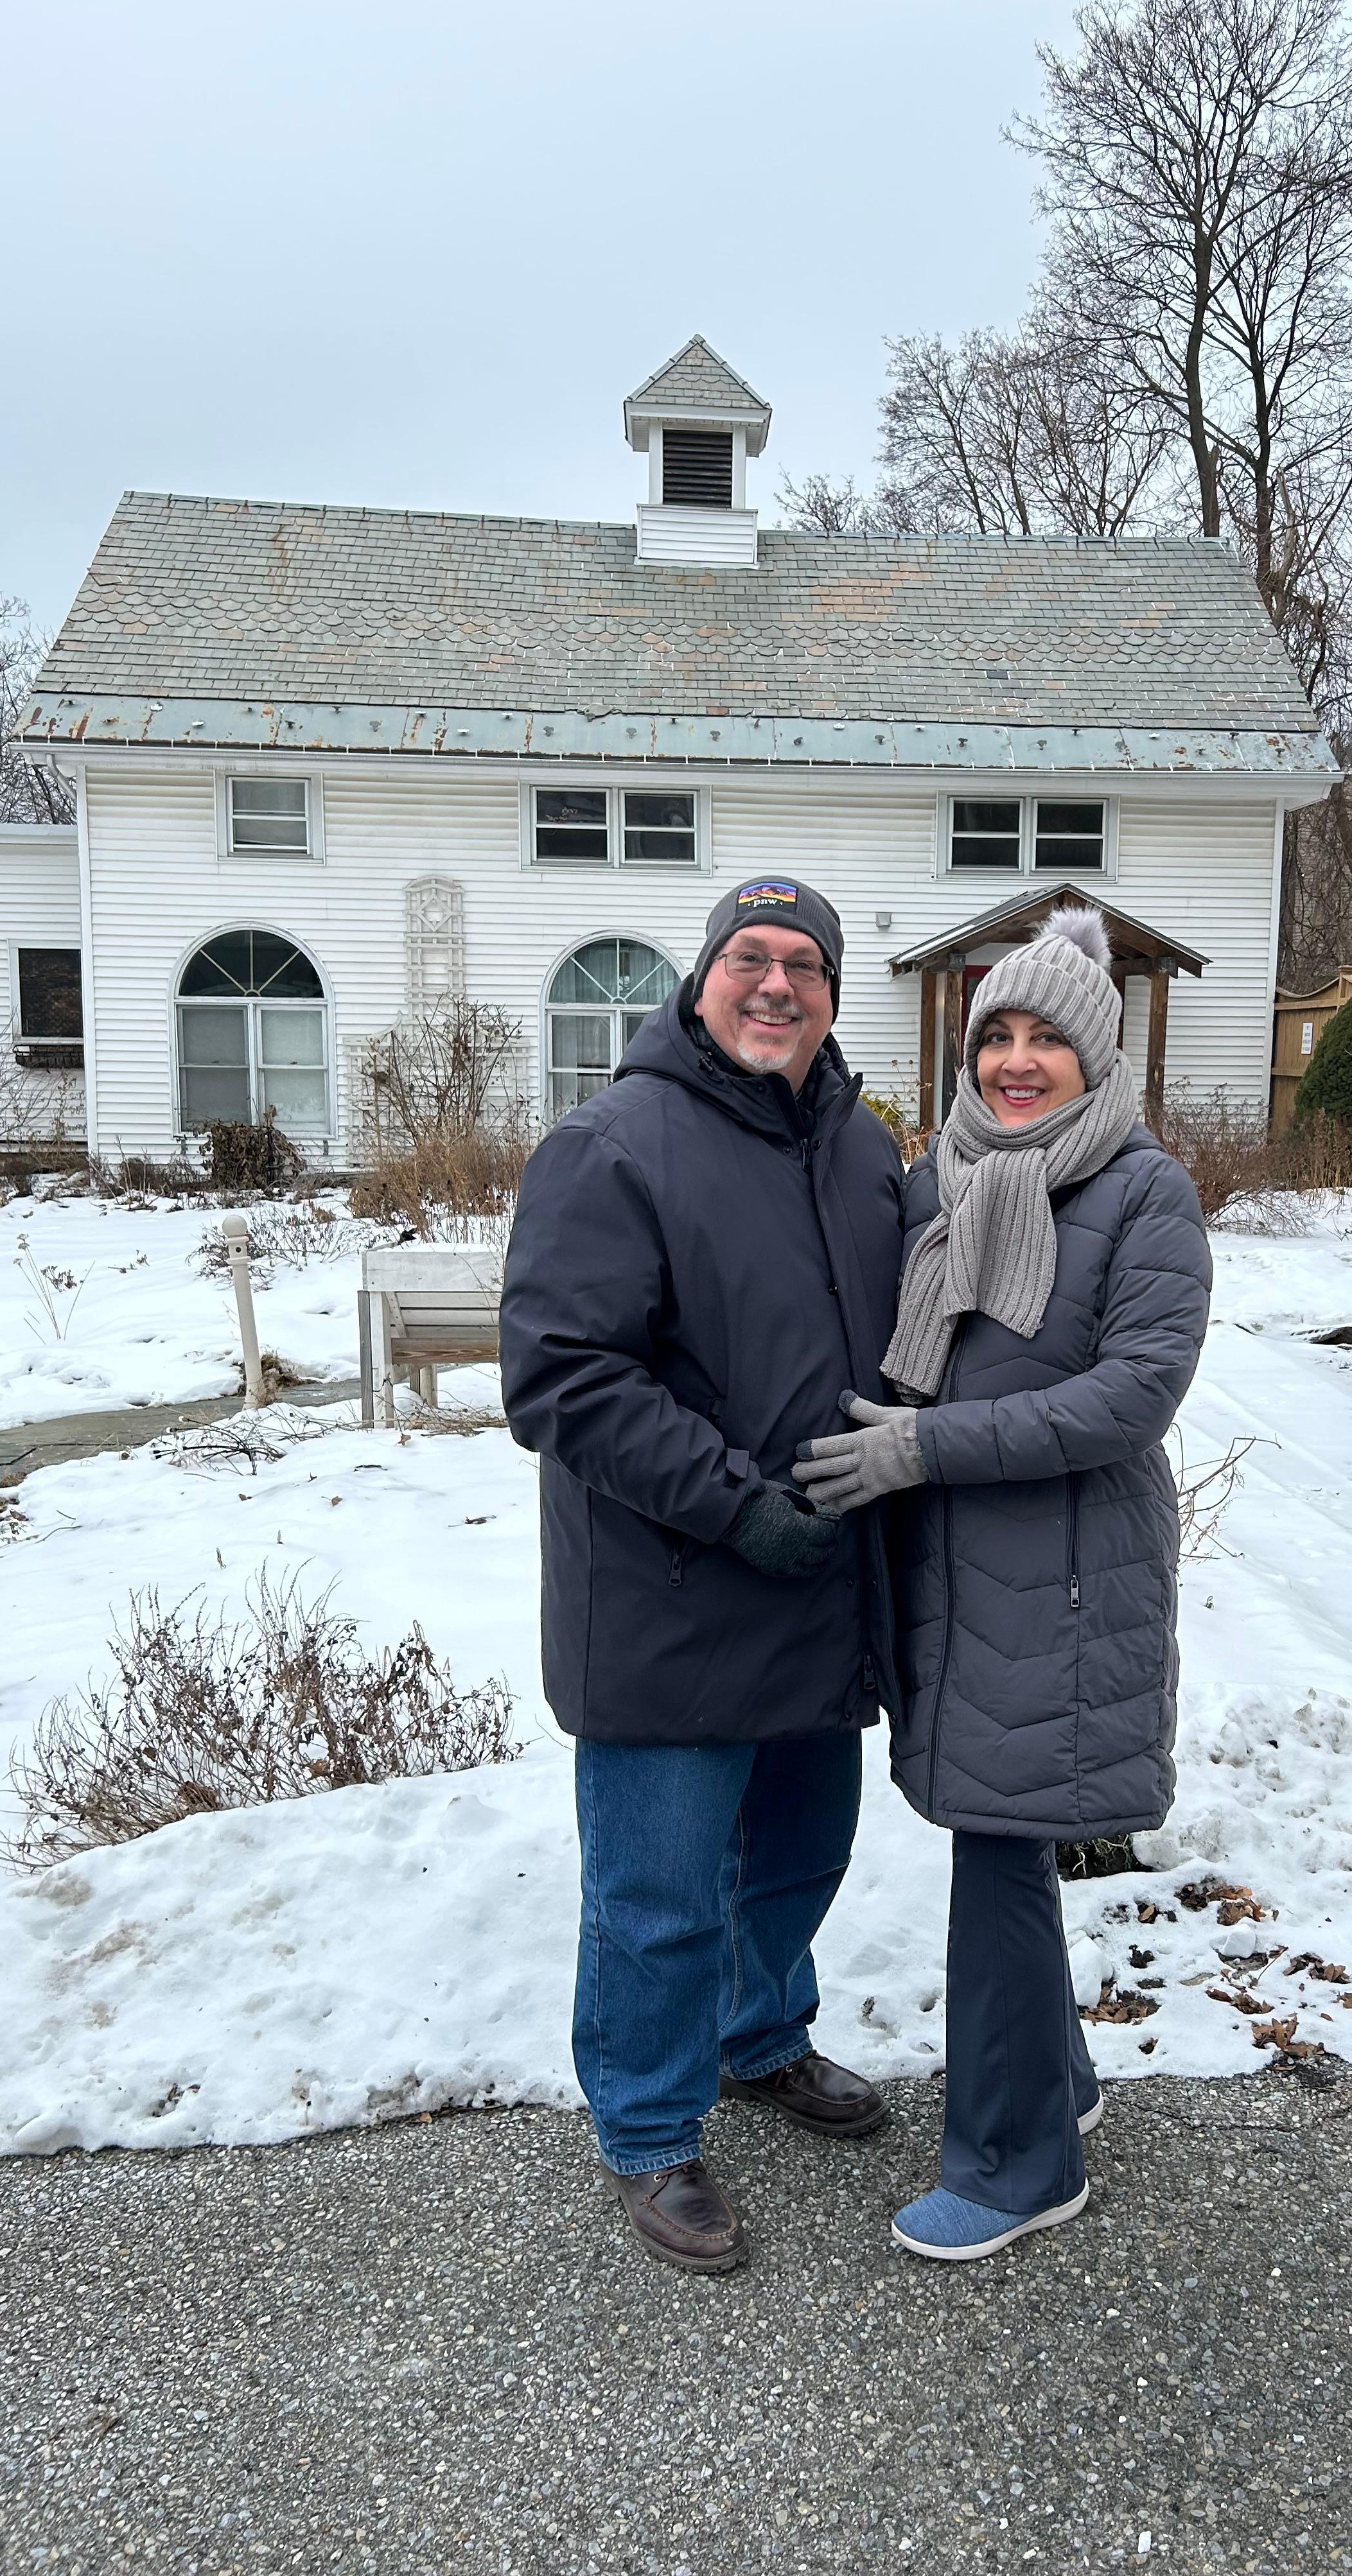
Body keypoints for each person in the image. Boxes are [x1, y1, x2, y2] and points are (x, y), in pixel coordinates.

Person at [795, 905, 1211, 2261]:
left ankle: (1019, 2161)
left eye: (1049, 1040)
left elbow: (1129, 1398)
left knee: (1000, 1854)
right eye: (998, 1038)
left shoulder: (1144, 1194)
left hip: (1071, 1585)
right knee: (1003, 1834)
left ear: (1100, 1056)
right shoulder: (945, 1180)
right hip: (958, 1579)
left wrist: (923, 1447)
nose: (1018, 1063)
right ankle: (1060, 2083)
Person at [500, 877, 904, 2275]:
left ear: (834, 996)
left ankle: (760, 2041)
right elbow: (563, 1381)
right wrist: (740, 1508)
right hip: (674, 1592)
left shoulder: (861, 1152)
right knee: (661, 1896)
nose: (776, 985)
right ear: (701, 981)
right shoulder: (613, 1145)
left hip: (818, 1589)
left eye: (805, 964)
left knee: (797, 1857)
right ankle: (649, 2128)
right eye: (750, 958)